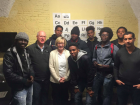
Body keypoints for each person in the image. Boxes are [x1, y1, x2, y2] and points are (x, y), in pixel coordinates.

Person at [3, 32, 34, 105]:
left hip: (29, 85)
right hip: (19, 88)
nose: (23, 42)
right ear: (16, 41)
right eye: (21, 40)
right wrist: (23, 80)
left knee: (29, 103)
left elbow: (30, 65)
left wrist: (32, 74)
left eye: (25, 40)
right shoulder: (9, 54)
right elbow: (8, 73)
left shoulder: (26, 52)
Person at [92, 27, 119, 105]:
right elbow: (93, 57)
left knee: (106, 94)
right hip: (98, 74)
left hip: (109, 75)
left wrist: (109, 66)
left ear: (109, 36)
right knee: (94, 92)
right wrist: (94, 62)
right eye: (102, 34)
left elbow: (118, 63)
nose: (104, 36)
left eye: (106, 35)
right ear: (100, 35)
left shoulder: (114, 47)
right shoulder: (97, 46)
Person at [114, 32, 140, 105]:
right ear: (123, 40)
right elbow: (116, 66)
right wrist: (116, 79)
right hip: (122, 85)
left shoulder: (139, 52)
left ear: (134, 39)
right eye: (125, 39)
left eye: (130, 39)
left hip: (136, 86)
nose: (127, 41)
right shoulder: (119, 52)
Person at [26, 31, 52, 105]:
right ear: (37, 37)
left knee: (45, 98)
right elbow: (28, 64)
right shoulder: (30, 49)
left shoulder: (49, 48)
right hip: (35, 80)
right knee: (36, 98)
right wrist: (31, 74)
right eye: (41, 36)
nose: (42, 38)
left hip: (47, 79)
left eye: (44, 36)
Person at [49, 37, 70, 105]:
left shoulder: (68, 53)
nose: (60, 45)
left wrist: (66, 77)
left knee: (64, 98)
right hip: (55, 81)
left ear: (64, 44)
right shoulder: (52, 53)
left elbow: (70, 67)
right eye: (59, 43)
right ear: (56, 44)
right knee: (56, 98)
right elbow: (51, 67)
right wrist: (58, 79)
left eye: (62, 43)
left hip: (65, 80)